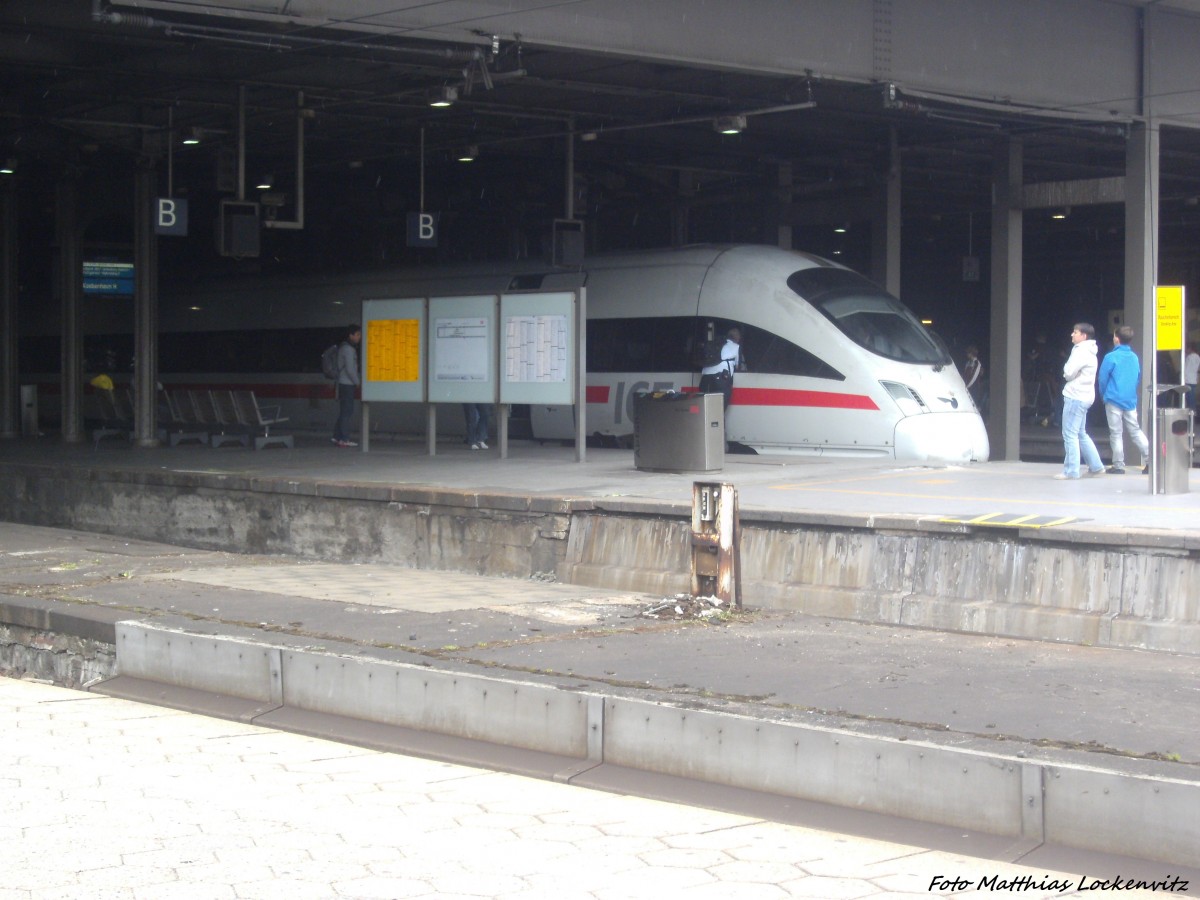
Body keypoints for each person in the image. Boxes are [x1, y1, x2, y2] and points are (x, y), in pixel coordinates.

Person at [1097, 325, 1150, 475]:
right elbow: (1137, 377)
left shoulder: (1110, 357)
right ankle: (1151, 461)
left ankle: (1118, 465)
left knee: (1116, 433)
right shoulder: (1134, 357)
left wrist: (1104, 395)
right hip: (1130, 400)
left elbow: (1102, 379)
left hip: (1113, 399)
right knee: (1135, 431)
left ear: (1117, 339)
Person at [1055, 322, 1105, 480]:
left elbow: (1068, 373)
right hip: (1086, 396)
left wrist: (1067, 373)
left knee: (1069, 434)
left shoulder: (1080, 351)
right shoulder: (1091, 351)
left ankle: (1071, 471)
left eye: (1075, 332)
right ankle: (1096, 466)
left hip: (1075, 396)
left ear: (1084, 336)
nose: (1072, 334)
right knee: (1081, 433)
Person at [698, 326, 744, 410]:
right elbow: (738, 366)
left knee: (704, 408)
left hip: (705, 378)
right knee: (719, 409)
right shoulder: (736, 347)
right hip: (721, 379)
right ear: (737, 338)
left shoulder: (715, 344)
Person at [331, 324, 362, 448]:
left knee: (344, 411)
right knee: (347, 412)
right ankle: (344, 439)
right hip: (347, 384)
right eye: (358, 334)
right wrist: (357, 382)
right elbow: (350, 369)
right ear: (351, 335)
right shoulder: (348, 349)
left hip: (344, 383)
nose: (359, 337)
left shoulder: (344, 347)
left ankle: (336, 436)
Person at [961, 344, 985, 414]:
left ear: (971, 354)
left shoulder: (977, 363)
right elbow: (965, 374)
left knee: (973, 405)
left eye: (968, 353)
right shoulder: (968, 362)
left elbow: (974, 377)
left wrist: (967, 386)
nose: (967, 355)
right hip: (967, 387)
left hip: (974, 388)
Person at [1184, 342, 1199, 409]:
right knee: (1192, 400)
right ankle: (1193, 414)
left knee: (1188, 400)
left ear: (1190, 349)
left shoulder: (1189, 357)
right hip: (1193, 380)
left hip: (1188, 381)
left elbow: (1185, 369)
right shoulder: (1198, 357)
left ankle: (1189, 415)